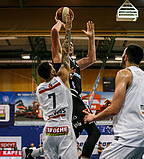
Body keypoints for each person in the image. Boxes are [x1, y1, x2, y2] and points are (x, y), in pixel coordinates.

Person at [83, 44, 144, 159]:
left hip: (133, 131)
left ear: (125, 57)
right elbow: (135, 102)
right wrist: (115, 104)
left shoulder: (124, 73)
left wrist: (93, 117)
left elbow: (114, 109)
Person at [51, 11, 101, 159]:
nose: (69, 44)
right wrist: (61, 22)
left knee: (94, 133)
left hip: (77, 100)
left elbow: (92, 58)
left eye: (71, 44)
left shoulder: (77, 64)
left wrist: (91, 38)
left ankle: (84, 157)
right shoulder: (58, 59)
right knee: (69, 140)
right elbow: (54, 32)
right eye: (67, 42)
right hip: (67, 99)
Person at [33, 14, 77, 159]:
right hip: (64, 127)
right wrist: (68, 30)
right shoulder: (62, 78)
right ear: (53, 71)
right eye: (53, 67)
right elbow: (65, 54)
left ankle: (31, 153)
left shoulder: (39, 89)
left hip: (49, 130)